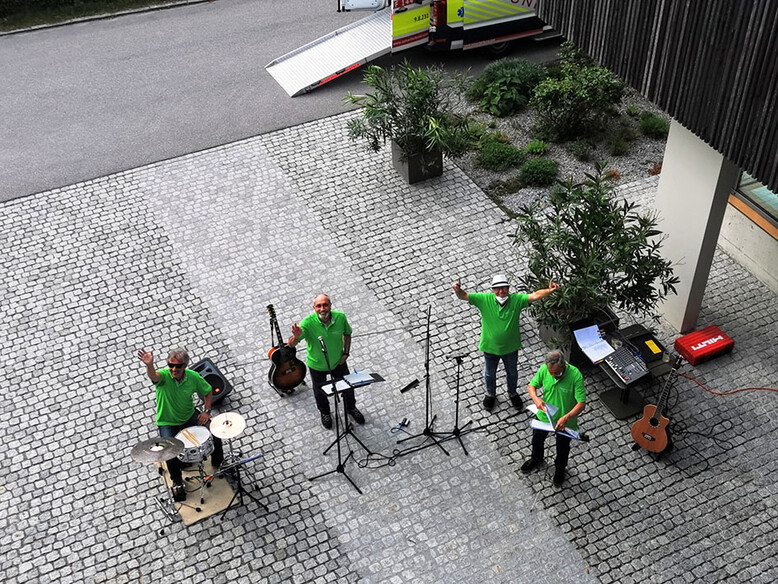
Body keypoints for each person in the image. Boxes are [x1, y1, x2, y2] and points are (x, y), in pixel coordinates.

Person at [453, 273, 559, 411]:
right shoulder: (484, 299)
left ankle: (512, 392)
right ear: (493, 290)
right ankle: (490, 394)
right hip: (490, 348)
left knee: (512, 373)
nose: (501, 291)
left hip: (510, 348)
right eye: (497, 288)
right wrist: (457, 289)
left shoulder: (516, 300)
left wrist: (549, 290)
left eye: (504, 288)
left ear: (508, 289)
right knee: (489, 373)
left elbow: (534, 295)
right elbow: (464, 296)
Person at [138, 347, 224, 502]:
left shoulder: (193, 377)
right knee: (168, 451)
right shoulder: (164, 376)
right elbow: (154, 375)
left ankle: (219, 462)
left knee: (214, 431)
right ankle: (177, 481)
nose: (173, 369)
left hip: (189, 416)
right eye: (171, 365)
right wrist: (149, 365)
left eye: (178, 366)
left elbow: (208, 390)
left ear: (185, 366)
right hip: (167, 422)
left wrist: (207, 411)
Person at [288, 294, 364, 429]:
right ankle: (325, 413)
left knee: (347, 387)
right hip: (317, 365)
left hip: (338, 362)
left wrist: (346, 353)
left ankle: (351, 408)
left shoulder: (340, 317)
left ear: (330, 306)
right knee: (319, 391)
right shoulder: (307, 323)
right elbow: (291, 344)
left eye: (325, 305)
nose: (322, 309)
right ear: (314, 308)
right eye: (318, 306)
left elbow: (347, 334)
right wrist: (296, 337)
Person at [521, 350, 586, 487]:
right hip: (545, 415)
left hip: (565, 421)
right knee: (537, 439)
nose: (554, 376)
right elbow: (532, 386)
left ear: (563, 366)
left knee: (562, 447)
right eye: (552, 373)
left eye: (557, 373)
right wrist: (536, 399)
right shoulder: (545, 369)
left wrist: (566, 417)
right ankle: (536, 458)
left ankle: (560, 469)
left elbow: (581, 404)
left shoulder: (575, 376)